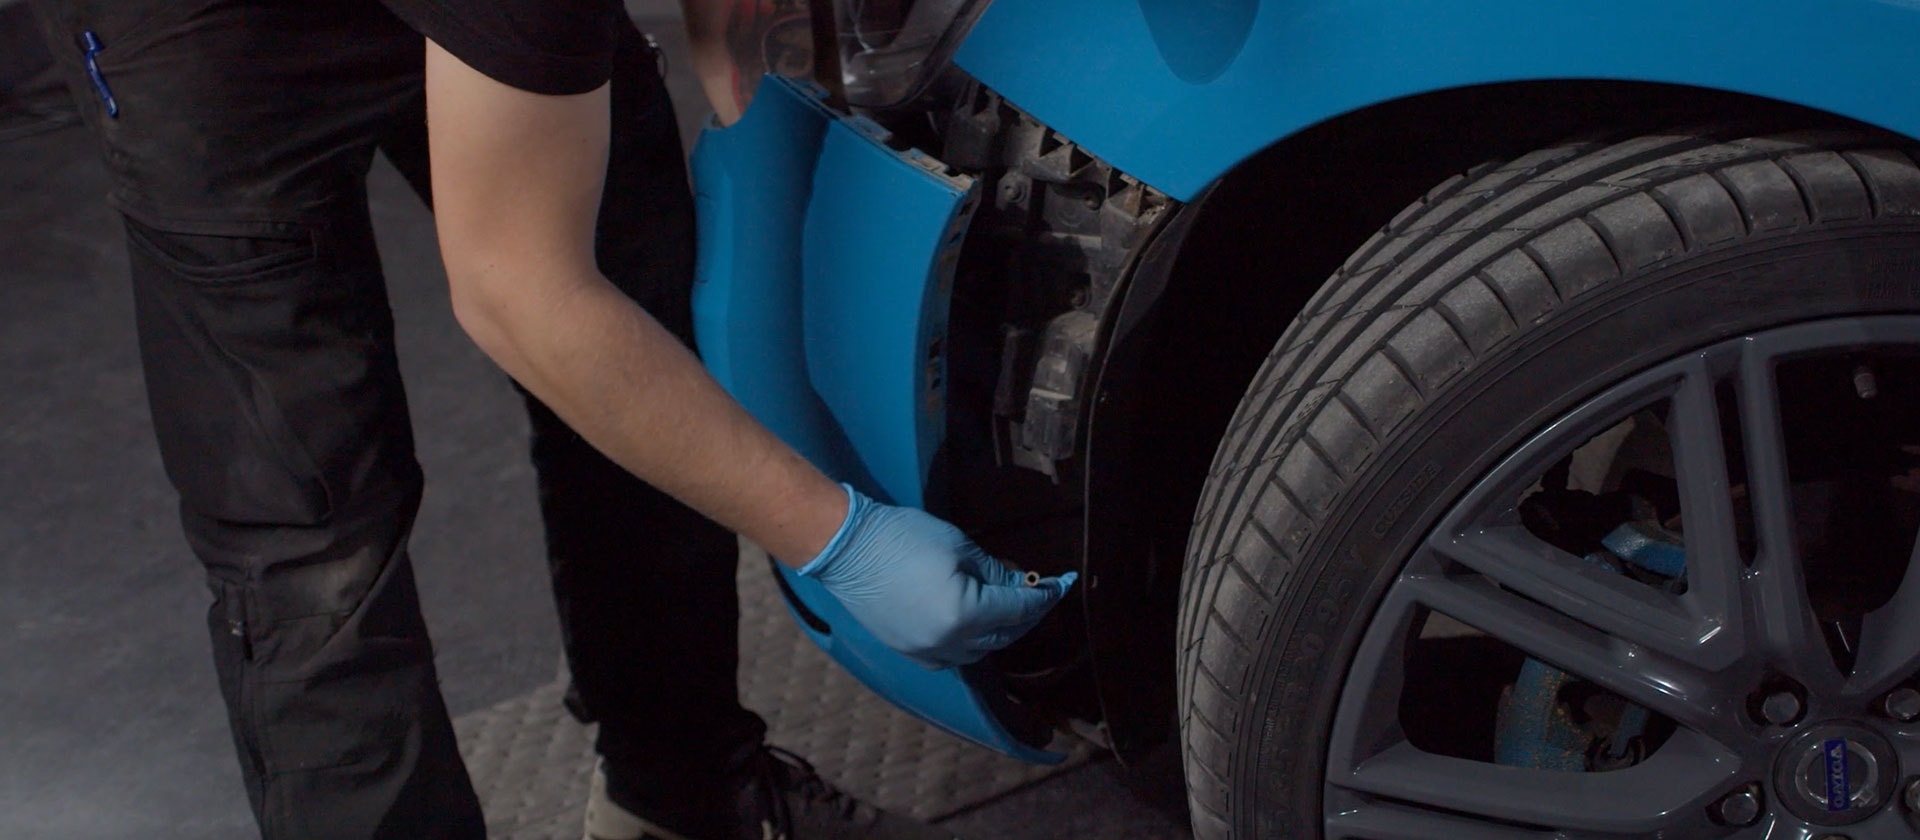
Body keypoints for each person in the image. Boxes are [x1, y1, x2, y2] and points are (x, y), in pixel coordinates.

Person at [26, 0, 1075, 837]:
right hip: (200, 40)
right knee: (311, 535)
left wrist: (757, 124)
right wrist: (838, 538)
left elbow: (736, 41)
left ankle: (682, 799)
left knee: (641, 319)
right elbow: (514, 292)